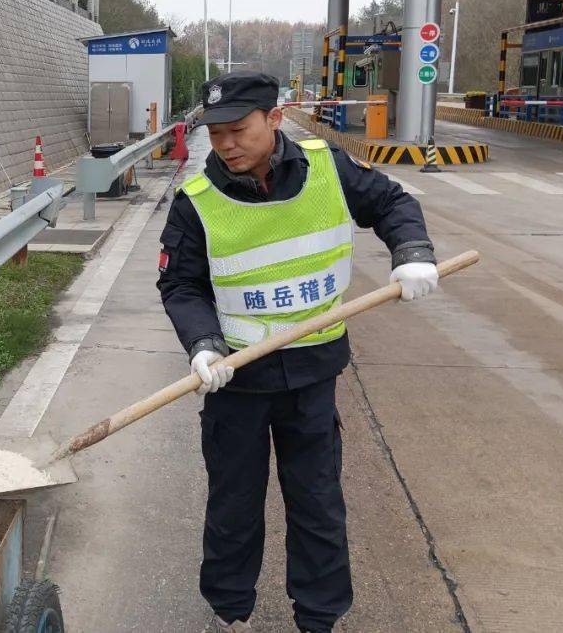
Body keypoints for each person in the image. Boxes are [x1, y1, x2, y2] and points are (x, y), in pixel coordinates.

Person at [157, 72, 439, 633]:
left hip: (312, 375)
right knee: (234, 506)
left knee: (317, 504)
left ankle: (319, 616)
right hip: (236, 380)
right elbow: (181, 286)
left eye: (238, 130)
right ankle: (230, 613)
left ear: (275, 119)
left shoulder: (326, 168)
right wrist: (203, 345)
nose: (226, 145)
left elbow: (391, 202)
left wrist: (411, 252)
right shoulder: (197, 202)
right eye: (215, 135)